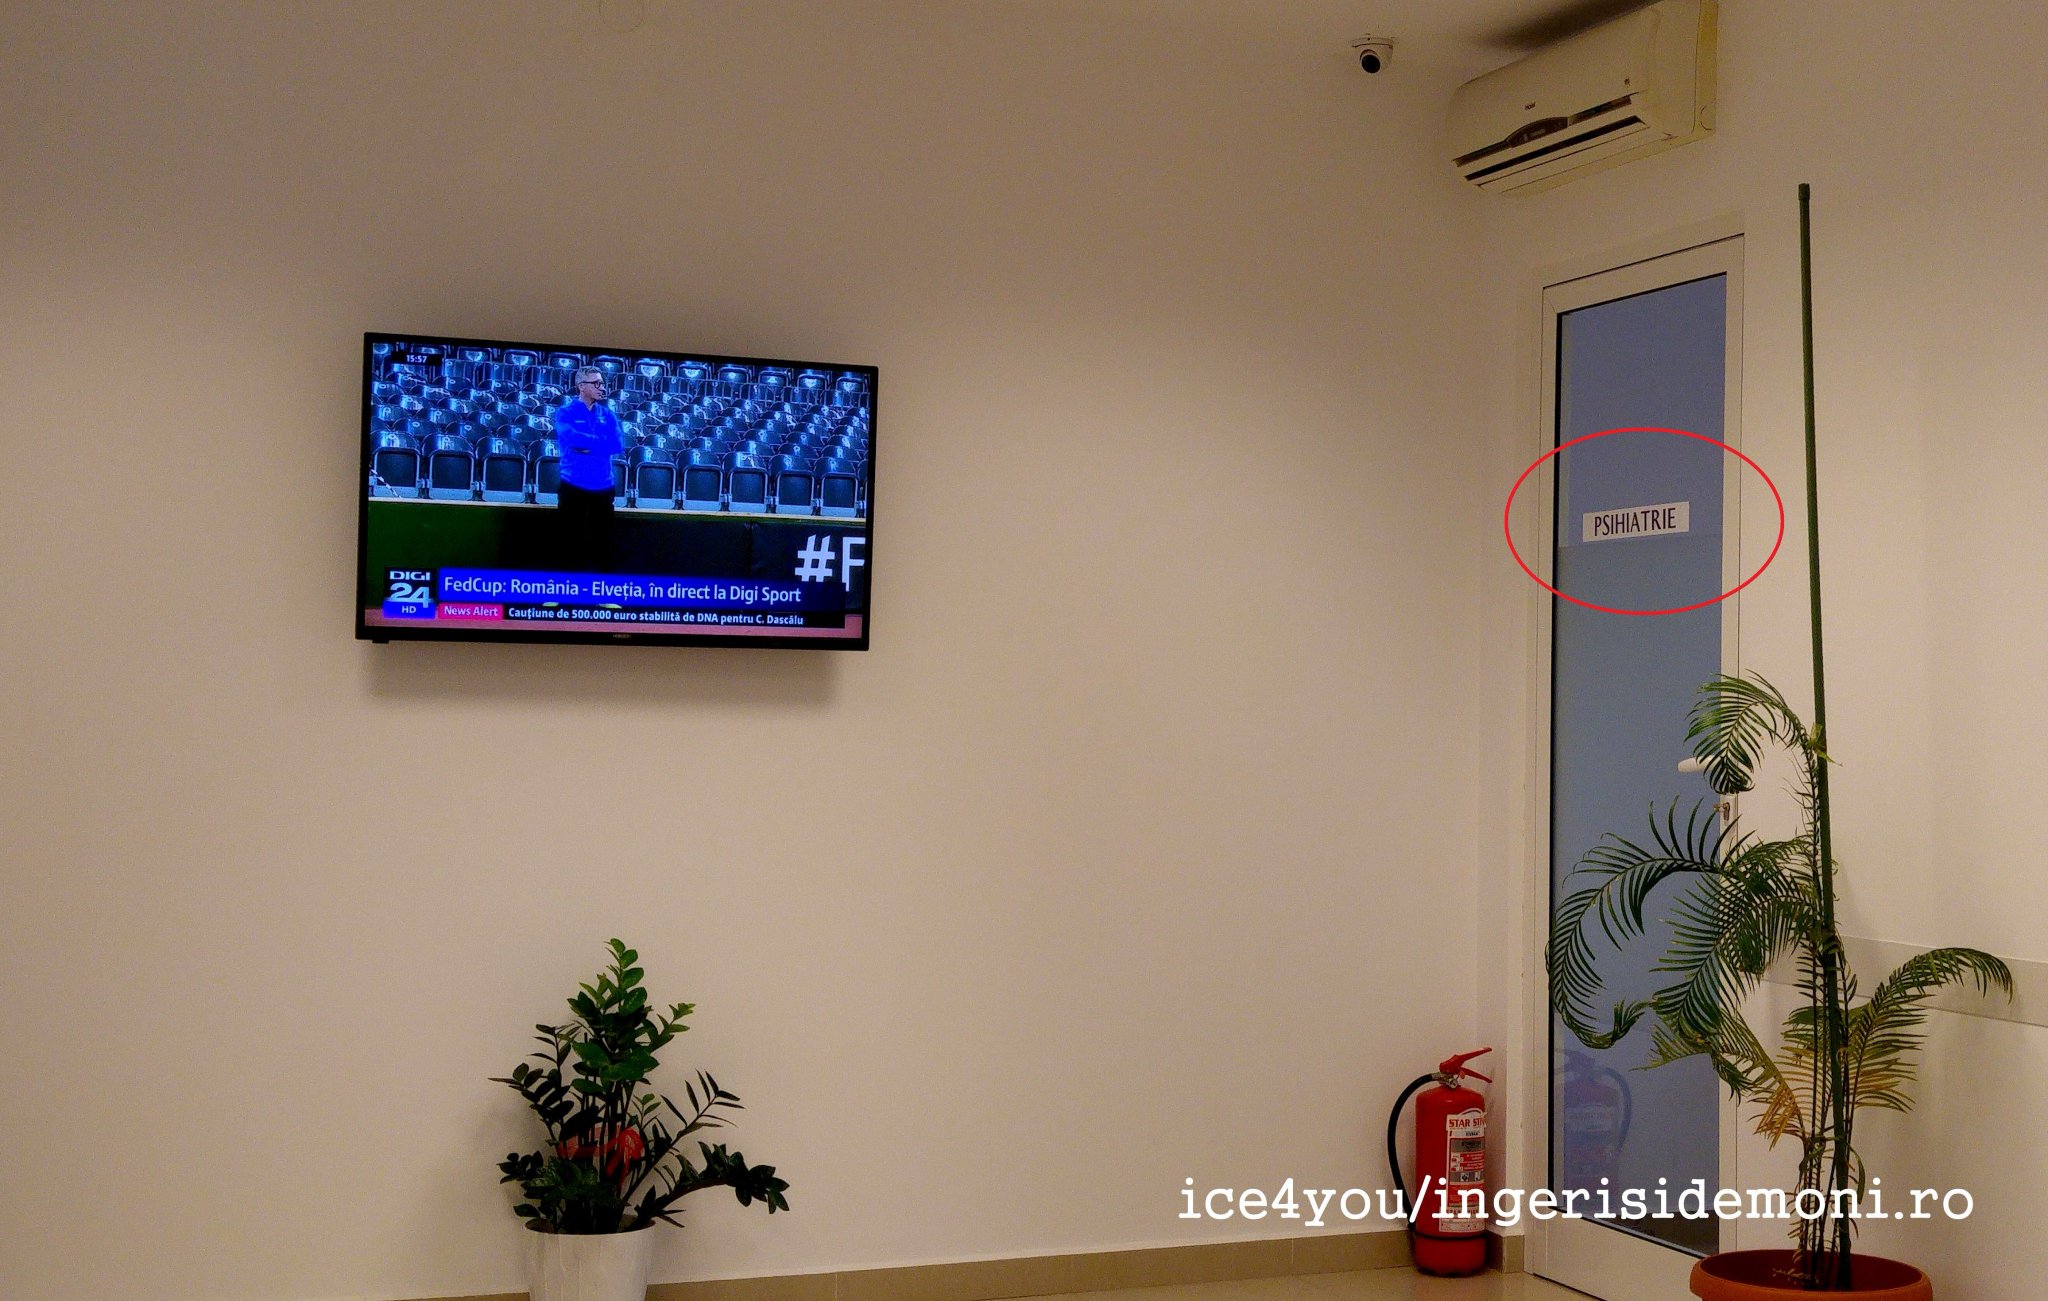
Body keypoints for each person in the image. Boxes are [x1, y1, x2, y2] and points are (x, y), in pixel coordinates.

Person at [553, 366, 622, 573]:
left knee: (604, 545)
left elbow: (617, 445)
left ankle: (603, 589)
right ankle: (569, 588)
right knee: (570, 543)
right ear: (581, 386)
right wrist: (600, 444)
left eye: (602, 383)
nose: (602, 387)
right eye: (596, 383)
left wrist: (588, 446)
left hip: (604, 488)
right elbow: (572, 440)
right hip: (573, 487)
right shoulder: (565, 413)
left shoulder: (608, 415)